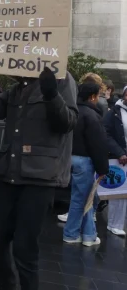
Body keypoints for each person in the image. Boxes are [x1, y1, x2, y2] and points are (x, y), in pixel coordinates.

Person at [0, 56, 78, 290]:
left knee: (25, 248)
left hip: (40, 178)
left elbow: (67, 122)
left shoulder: (61, 78)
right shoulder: (19, 87)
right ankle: (7, 285)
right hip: (9, 173)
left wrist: (51, 94)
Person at [63, 83, 108, 246]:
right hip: (84, 161)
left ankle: (88, 234)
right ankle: (73, 234)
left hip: (68, 158)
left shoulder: (72, 112)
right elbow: (98, 145)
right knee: (82, 200)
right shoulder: (92, 116)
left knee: (85, 198)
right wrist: (103, 168)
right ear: (93, 96)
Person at [103, 85, 127, 237]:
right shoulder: (114, 112)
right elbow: (105, 133)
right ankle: (114, 224)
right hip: (120, 159)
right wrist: (119, 152)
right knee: (119, 192)